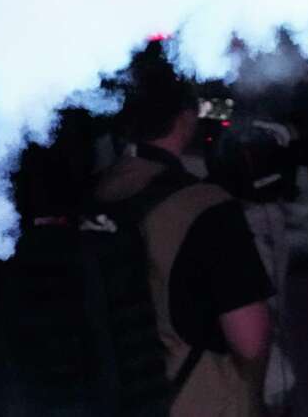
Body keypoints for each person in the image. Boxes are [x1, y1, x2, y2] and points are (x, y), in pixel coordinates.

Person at [94, 68, 274, 417]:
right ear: (186, 118)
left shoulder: (95, 193)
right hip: (193, 400)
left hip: (105, 397)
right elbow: (250, 339)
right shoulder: (205, 206)